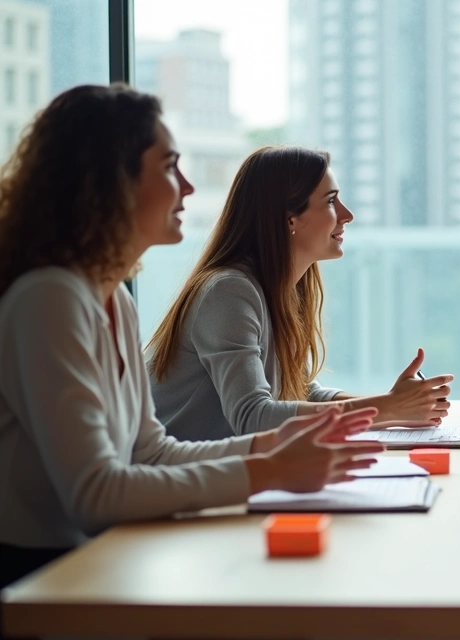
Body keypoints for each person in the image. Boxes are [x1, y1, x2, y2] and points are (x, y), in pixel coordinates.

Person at [0, 84, 384, 590]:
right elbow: (94, 496)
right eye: (168, 167)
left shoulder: (113, 299)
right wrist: (268, 470)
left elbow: (153, 452)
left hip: (101, 558)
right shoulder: (50, 298)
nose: (188, 187)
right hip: (43, 577)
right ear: (107, 182)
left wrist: (275, 447)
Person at [146, 147, 453, 441]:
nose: (347, 215)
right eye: (331, 201)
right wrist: (386, 409)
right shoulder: (228, 292)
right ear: (289, 219)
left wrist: (395, 405)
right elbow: (252, 418)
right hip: (174, 484)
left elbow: (302, 393)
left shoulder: (281, 289)